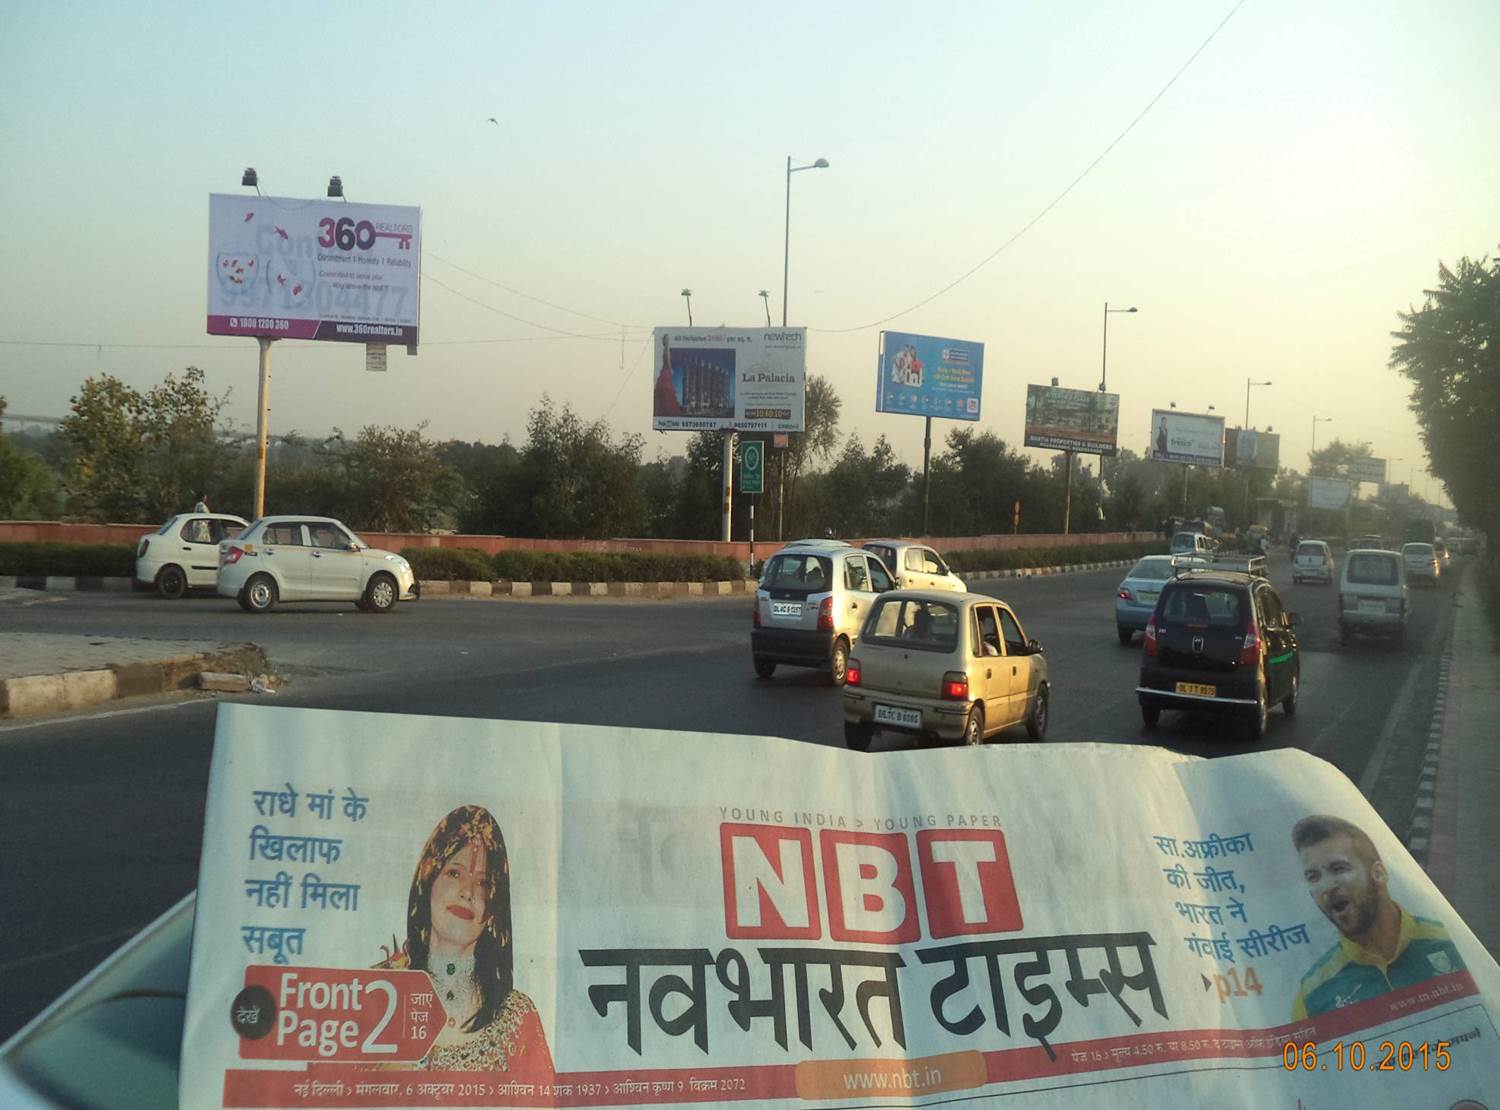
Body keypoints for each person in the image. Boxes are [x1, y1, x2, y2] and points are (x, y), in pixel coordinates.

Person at [377, 805, 553, 1074]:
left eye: (483, 883)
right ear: (428, 882)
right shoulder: (375, 993)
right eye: (454, 873)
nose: (467, 892)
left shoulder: (517, 1017)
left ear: (494, 908)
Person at [1290, 815, 1465, 1019]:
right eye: (1313, 877)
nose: (1327, 886)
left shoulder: (1450, 942)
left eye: (1338, 869)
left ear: (1378, 874)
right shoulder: (1312, 996)